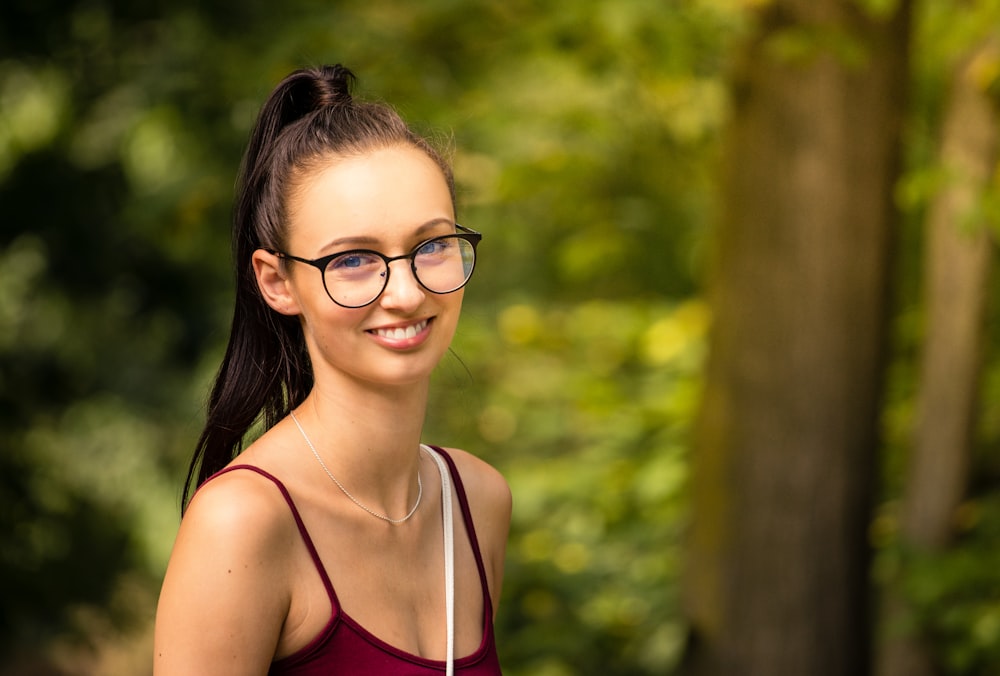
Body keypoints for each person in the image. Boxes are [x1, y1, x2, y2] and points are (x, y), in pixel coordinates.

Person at [153, 64, 512, 675]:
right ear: (276, 281)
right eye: (353, 259)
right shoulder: (242, 524)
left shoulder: (476, 501)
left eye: (431, 246)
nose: (404, 292)